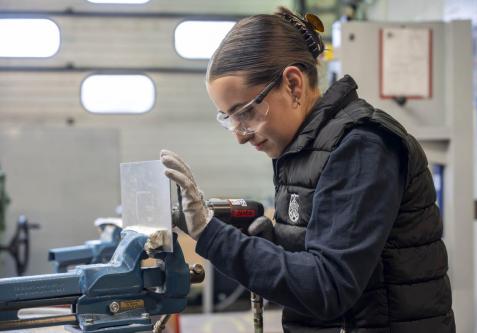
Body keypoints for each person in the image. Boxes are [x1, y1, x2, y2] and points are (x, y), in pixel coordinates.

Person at [160, 7, 455, 333]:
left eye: (245, 113)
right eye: (229, 119)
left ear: (293, 85)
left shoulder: (361, 147)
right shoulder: (301, 153)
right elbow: (316, 257)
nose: (240, 135)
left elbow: (328, 286)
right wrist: (272, 246)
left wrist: (211, 236)